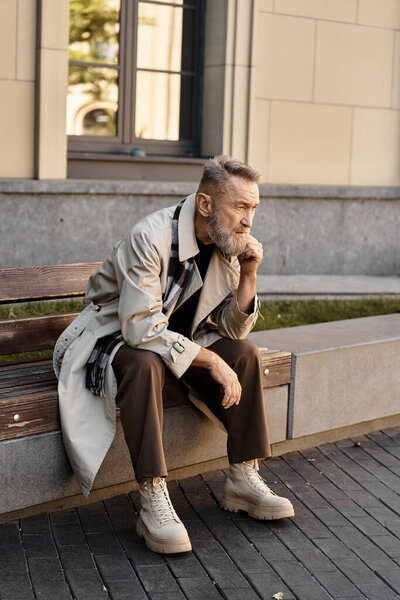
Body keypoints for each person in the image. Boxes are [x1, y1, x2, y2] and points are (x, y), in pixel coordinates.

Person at [54, 155, 294, 555]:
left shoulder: (225, 244)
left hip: (176, 339)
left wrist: (249, 276)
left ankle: (243, 476)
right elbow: (139, 328)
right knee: (147, 363)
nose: (249, 220)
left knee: (246, 353)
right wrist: (210, 360)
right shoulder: (150, 236)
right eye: (241, 206)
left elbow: (232, 329)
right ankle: (153, 498)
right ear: (205, 205)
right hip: (111, 337)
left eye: (253, 208)